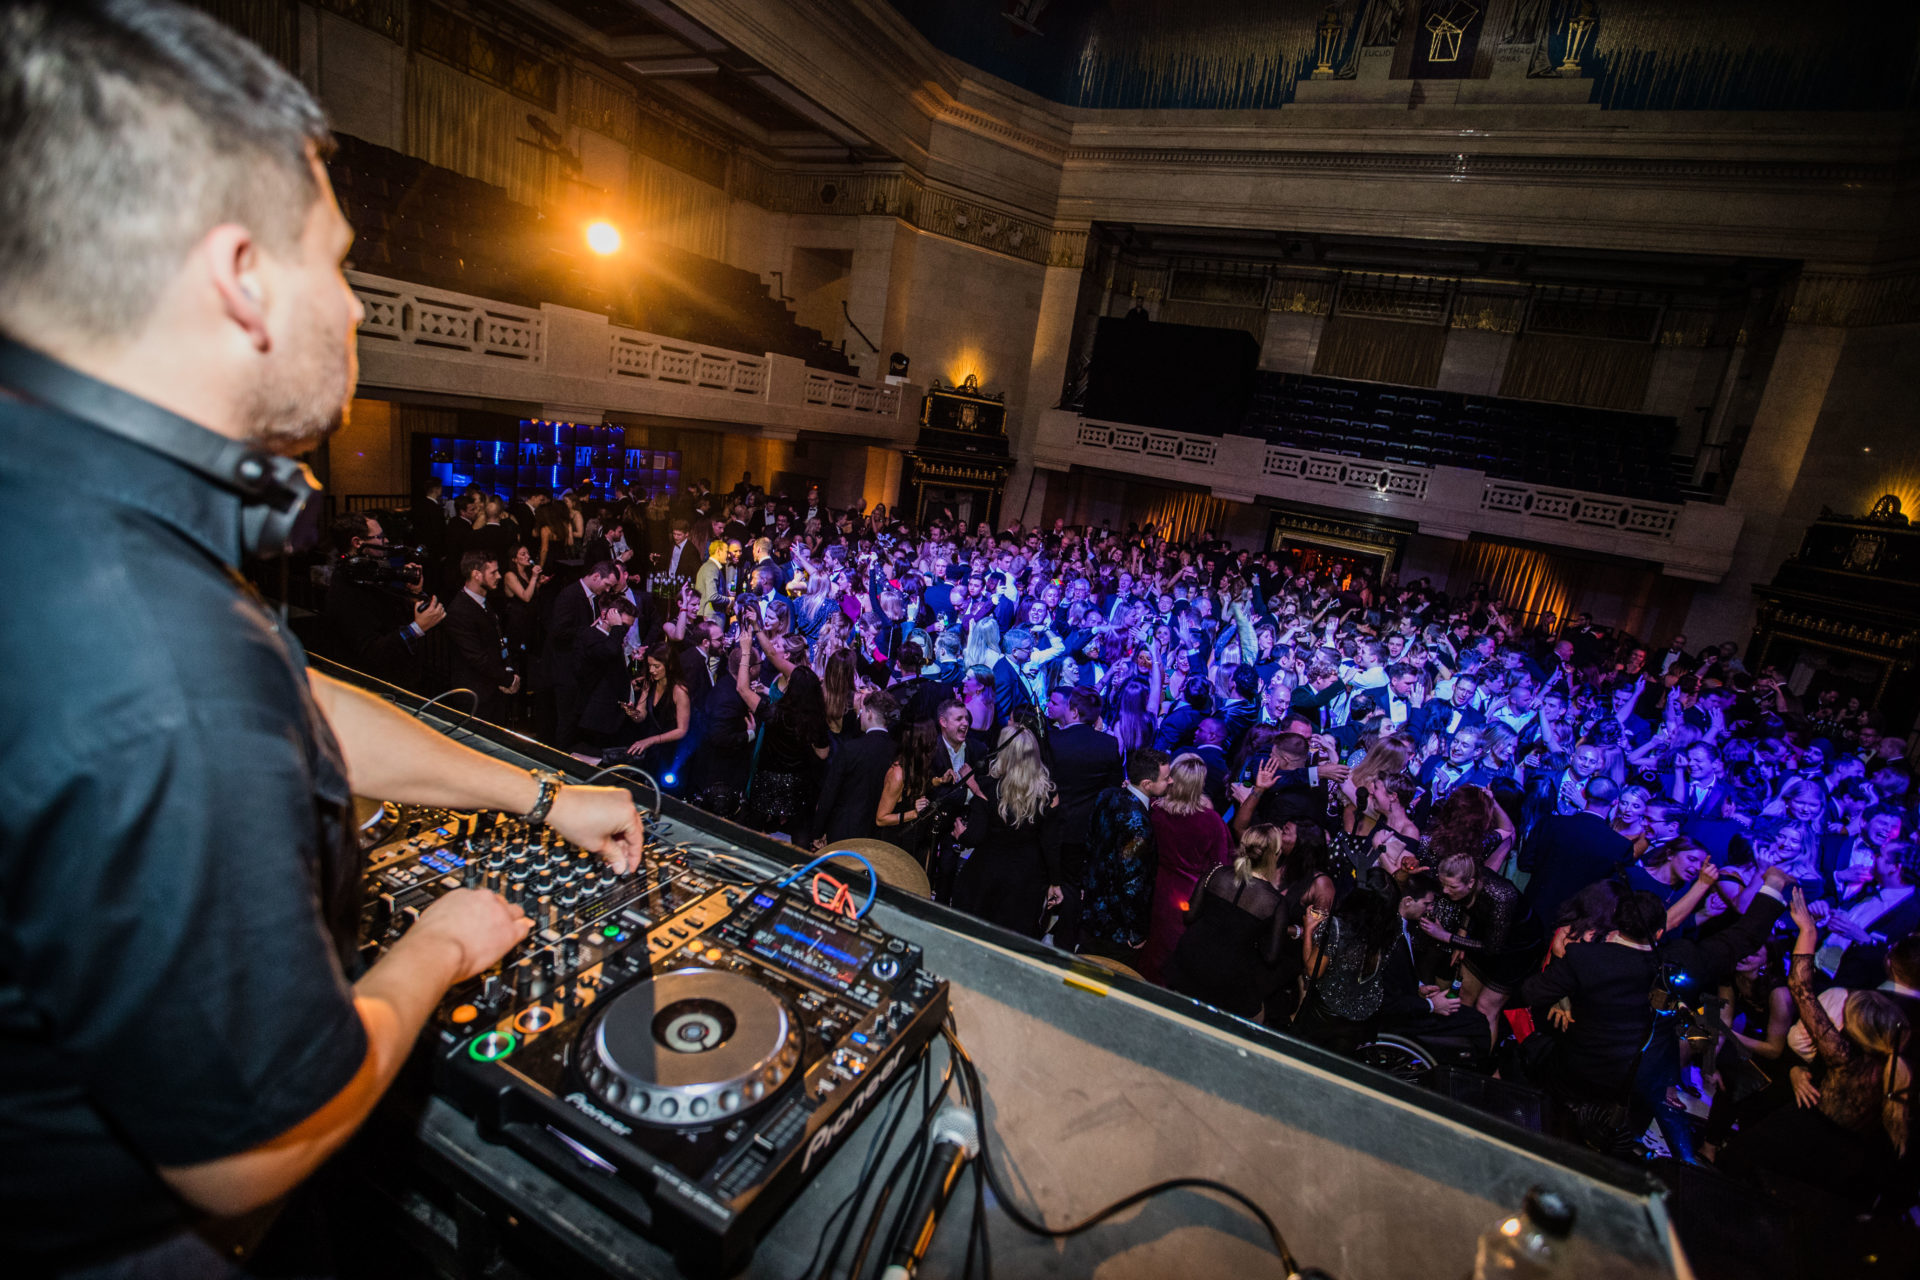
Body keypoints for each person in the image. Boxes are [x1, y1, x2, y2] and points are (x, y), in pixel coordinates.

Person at [0, 4, 645, 1269]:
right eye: (341, 264)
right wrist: (444, 943)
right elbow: (256, 1147)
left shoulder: (66, 498)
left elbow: (290, 711)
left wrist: (541, 795)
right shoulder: (162, 654)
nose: (357, 309)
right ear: (242, 278)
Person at [1162, 824, 1299, 1024]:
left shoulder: (1215, 872)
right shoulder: (1275, 902)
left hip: (1191, 959)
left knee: (1174, 1017)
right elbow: (1270, 956)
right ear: (1275, 855)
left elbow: (1189, 917)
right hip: (1228, 977)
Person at [952, 724, 1064, 938]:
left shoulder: (986, 787)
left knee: (976, 935)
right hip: (1025, 878)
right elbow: (1051, 844)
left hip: (987, 873)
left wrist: (960, 833)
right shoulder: (1049, 794)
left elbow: (975, 835)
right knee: (1012, 939)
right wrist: (1055, 882)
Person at [1141, 753, 1235, 982]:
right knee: (1176, 955)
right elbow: (1221, 865)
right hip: (1191, 897)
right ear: (1199, 784)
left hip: (1157, 889)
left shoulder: (1155, 812)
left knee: (1152, 950)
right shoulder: (1211, 821)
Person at [1044, 685, 1124, 950]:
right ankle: (1065, 941)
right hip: (1085, 830)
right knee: (1073, 885)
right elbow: (1113, 790)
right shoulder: (1109, 744)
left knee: (1045, 878)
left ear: (1074, 712)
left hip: (1052, 823)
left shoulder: (1053, 740)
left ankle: (1038, 930)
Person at [1080, 748, 1171, 962]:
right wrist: (1136, 930)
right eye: (1166, 778)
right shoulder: (1139, 826)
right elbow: (1132, 881)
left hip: (1091, 909)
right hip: (1115, 926)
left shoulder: (1107, 795)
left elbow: (1090, 843)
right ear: (1147, 784)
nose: (1171, 781)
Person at [1519, 774, 1634, 924]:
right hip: (1578, 918)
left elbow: (1524, 863)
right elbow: (1613, 892)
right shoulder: (1621, 845)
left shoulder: (1551, 823)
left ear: (1583, 793)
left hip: (1535, 909)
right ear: (1615, 802)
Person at [812, 688, 899, 847]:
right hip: (879, 834)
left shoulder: (851, 748)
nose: (860, 717)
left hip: (845, 829)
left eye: (862, 712)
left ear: (870, 713)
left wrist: (818, 831)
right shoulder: (897, 750)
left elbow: (829, 794)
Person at [443, 550, 518, 724]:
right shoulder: (460, 610)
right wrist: (507, 679)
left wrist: (508, 672)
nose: (499, 576)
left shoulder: (484, 602)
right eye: (493, 572)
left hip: (492, 690)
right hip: (475, 697)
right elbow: (477, 658)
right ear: (476, 575)